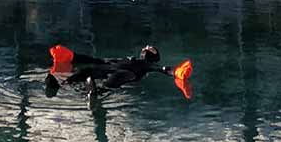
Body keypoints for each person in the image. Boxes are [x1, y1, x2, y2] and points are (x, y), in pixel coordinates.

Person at [44, 45, 188, 100]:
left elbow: (164, 70)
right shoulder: (127, 58)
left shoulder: (147, 65)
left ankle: (97, 92)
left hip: (127, 74)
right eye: (146, 46)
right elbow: (97, 60)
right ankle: (61, 84)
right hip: (110, 67)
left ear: (155, 57)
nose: (147, 46)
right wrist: (74, 57)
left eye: (152, 48)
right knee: (87, 70)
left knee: (120, 76)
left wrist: (177, 72)